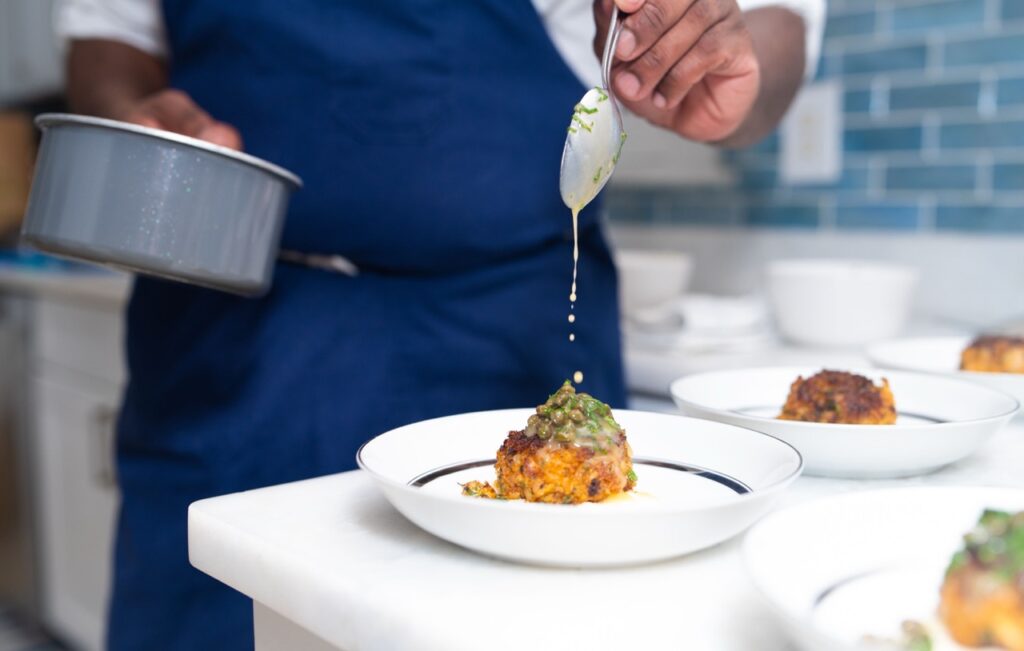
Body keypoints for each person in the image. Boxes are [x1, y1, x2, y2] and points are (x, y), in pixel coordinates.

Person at [57, 0, 823, 648]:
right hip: (227, 343)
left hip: (505, 333)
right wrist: (132, 116)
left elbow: (773, 23)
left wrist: (712, 55)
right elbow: (104, 35)